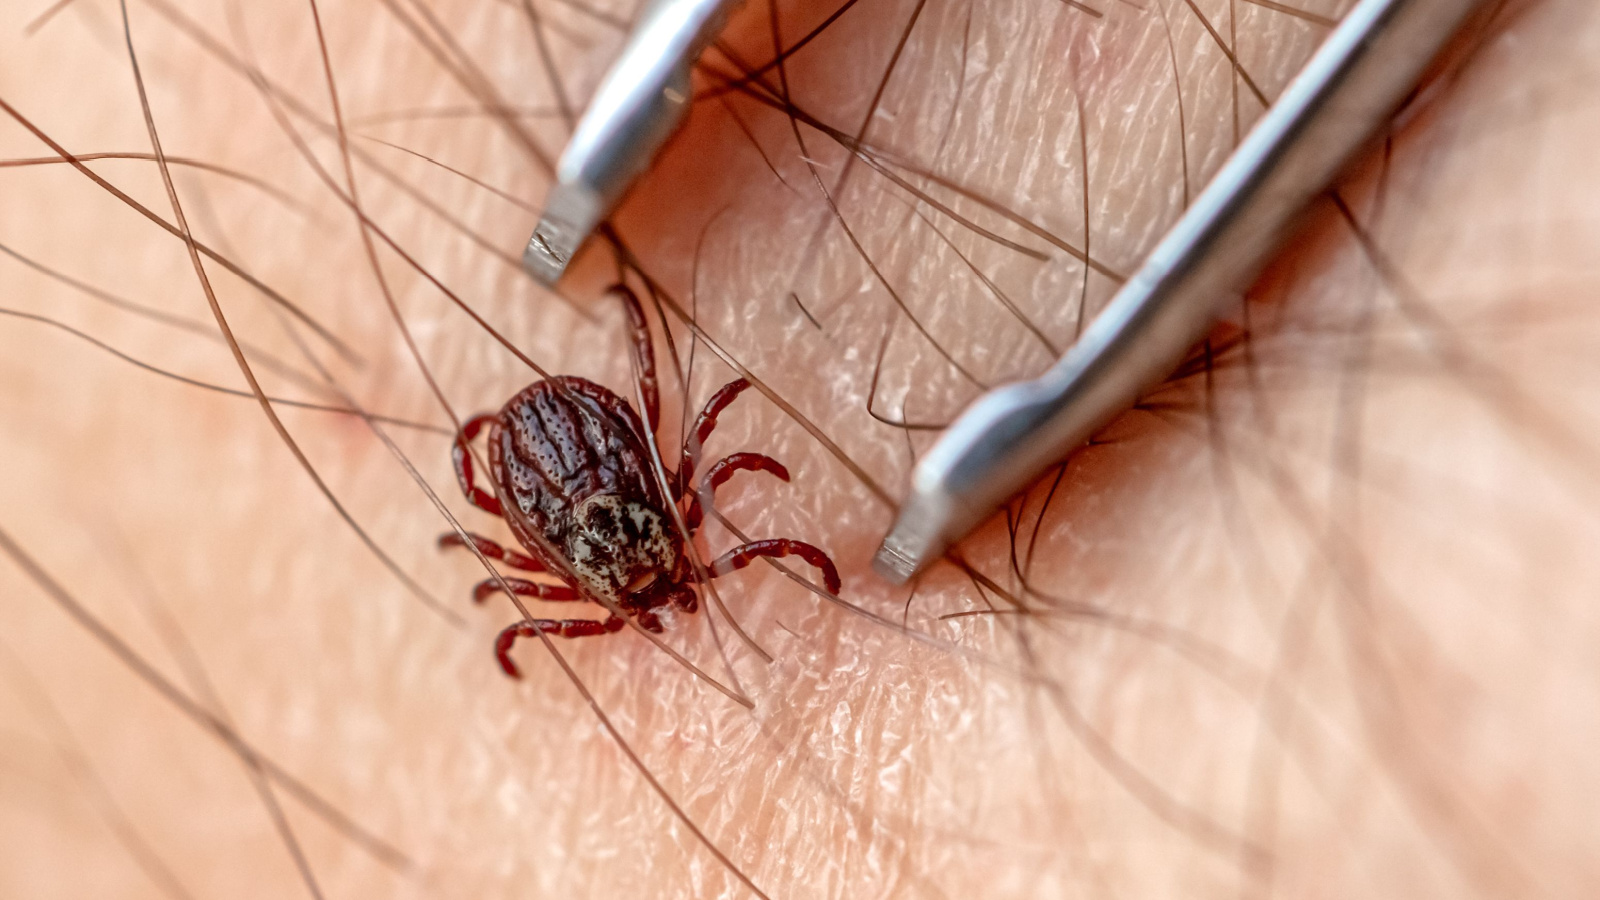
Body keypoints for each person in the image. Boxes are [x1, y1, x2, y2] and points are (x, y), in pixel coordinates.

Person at [1, 0, 1595, 896]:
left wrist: (542, 526)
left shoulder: (584, 553)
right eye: (649, 566)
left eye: (659, 565)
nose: (666, 575)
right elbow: (689, 446)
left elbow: (520, 540)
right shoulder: (676, 509)